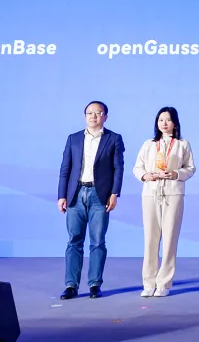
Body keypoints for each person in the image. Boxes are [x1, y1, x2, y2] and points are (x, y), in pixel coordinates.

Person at [57, 101, 125, 300]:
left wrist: (114, 193)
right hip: (75, 194)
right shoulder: (74, 138)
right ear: (85, 116)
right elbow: (65, 169)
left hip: (99, 195)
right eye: (89, 113)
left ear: (105, 116)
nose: (93, 116)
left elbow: (118, 168)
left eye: (98, 113)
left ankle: (95, 284)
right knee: (74, 240)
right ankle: (71, 285)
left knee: (97, 241)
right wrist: (62, 195)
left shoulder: (114, 138)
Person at [132, 107, 196, 298]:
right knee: (150, 239)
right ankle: (148, 282)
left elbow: (190, 168)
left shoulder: (182, 144)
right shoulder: (149, 144)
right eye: (161, 120)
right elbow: (137, 167)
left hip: (173, 194)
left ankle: (164, 283)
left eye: (168, 120)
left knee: (170, 239)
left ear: (175, 123)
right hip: (150, 194)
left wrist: (175, 174)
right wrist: (146, 175)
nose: (164, 123)